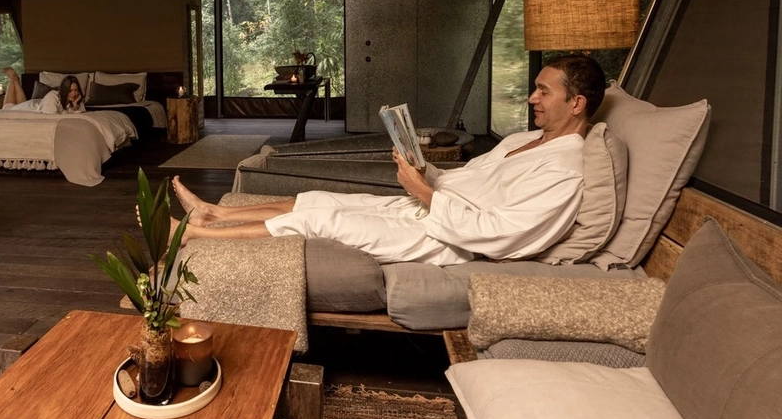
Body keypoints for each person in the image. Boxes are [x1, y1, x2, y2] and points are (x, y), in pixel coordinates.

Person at [168, 54, 604, 266]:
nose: (532, 98)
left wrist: (426, 194)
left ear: (578, 102)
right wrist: (424, 170)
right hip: (430, 210)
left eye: (544, 91)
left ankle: (194, 238)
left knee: (323, 220)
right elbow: (466, 180)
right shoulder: (524, 141)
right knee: (316, 197)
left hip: (448, 242)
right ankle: (213, 211)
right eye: (535, 88)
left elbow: (505, 235)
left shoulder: (564, 173)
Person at [1, 69, 86, 114]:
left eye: (76, 90)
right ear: (64, 90)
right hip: (31, 108)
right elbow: (52, 117)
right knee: (7, 109)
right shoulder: (53, 96)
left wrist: (75, 105)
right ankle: (13, 80)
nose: (74, 94)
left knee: (18, 104)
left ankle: (15, 81)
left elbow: (81, 114)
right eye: (70, 90)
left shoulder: (76, 101)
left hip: (37, 104)